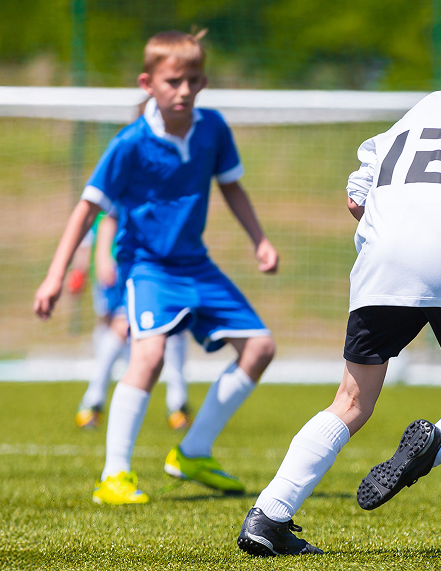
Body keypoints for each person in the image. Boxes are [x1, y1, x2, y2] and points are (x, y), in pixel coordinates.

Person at [237, 16, 441, 557]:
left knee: (350, 400)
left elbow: (356, 198)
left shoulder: (410, 117)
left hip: (380, 261)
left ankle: (268, 516)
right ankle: (434, 445)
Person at [34, 29, 279, 504]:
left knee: (260, 348)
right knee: (147, 356)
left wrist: (260, 240)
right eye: (172, 81)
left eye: (191, 80)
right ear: (148, 83)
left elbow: (230, 186)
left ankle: (194, 451)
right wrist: (54, 274)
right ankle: (115, 475)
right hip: (147, 267)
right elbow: (87, 208)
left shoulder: (213, 129)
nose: (183, 90)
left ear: (203, 81)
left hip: (196, 264)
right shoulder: (129, 143)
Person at [74, 212, 193, 431]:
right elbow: (101, 219)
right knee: (117, 327)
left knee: (175, 328)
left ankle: (178, 404)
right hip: (124, 266)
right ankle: (93, 400)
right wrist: (96, 259)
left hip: (161, 264)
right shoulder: (117, 189)